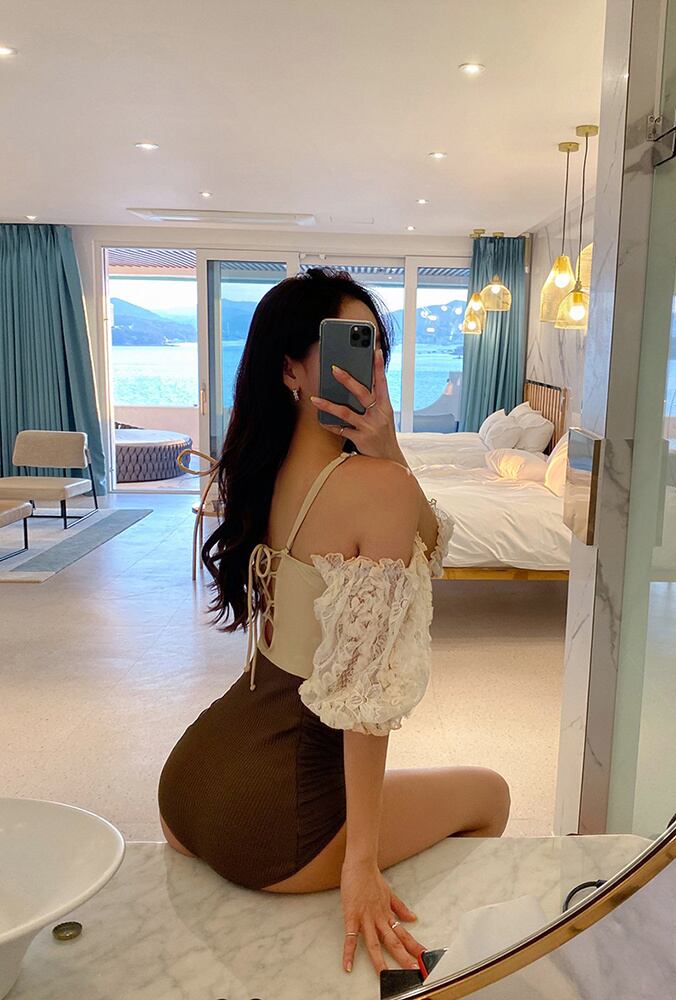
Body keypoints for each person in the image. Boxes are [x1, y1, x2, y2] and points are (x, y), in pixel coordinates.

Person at [157, 268, 511, 978]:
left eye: (376, 346)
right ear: (291, 368)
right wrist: (361, 862)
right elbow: (363, 701)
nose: (370, 364)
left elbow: (425, 545)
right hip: (276, 822)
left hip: (189, 784)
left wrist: (388, 450)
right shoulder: (378, 490)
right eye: (350, 343)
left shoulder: (261, 468)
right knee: (491, 795)